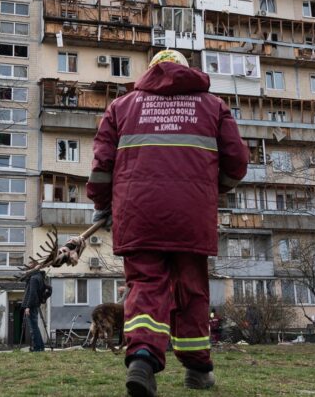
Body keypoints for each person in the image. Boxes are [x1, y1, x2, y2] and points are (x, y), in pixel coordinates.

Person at [86, 49, 249, 396]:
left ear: (151, 71)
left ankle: (142, 359)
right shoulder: (214, 106)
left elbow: (102, 167)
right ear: (186, 71)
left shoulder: (121, 107)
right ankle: (197, 370)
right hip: (191, 215)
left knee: (146, 284)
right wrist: (208, 189)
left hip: (138, 214)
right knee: (191, 289)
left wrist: (103, 206)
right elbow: (236, 164)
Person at [21, 268, 46, 352]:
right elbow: (49, 288)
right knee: (35, 327)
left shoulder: (33, 279)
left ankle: (37, 347)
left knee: (33, 328)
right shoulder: (40, 278)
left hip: (31, 306)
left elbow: (32, 293)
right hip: (35, 305)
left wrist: (28, 306)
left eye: (28, 270)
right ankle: (40, 347)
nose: (26, 271)